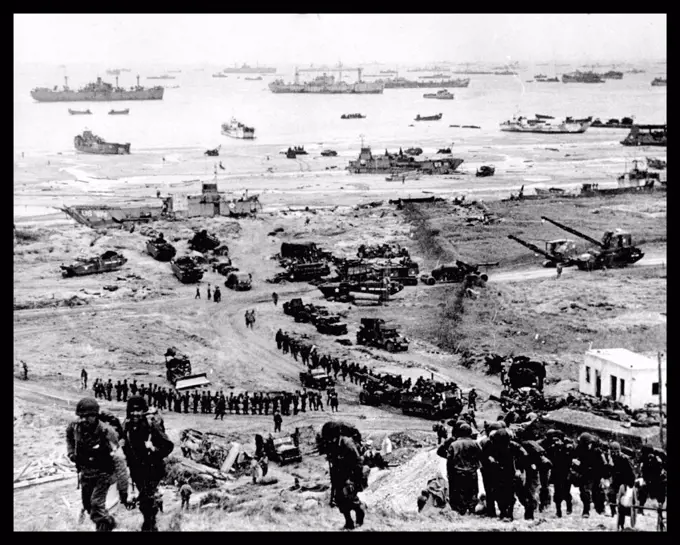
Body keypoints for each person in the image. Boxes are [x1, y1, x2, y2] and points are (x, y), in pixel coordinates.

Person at [120, 396, 174, 532]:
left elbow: (168, 446)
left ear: (144, 411)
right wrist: (121, 445)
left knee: (147, 499)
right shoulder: (126, 426)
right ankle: (149, 522)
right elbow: (121, 443)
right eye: (132, 411)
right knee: (145, 499)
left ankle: (150, 526)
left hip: (153, 468)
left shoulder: (151, 426)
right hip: (136, 469)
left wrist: (153, 448)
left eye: (138, 411)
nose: (135, 414)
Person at [65, 398, 117, 531]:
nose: (83, 420)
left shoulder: (106, 431)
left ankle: (104, 528)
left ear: (95, 416)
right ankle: (109, 522)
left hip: (103, 472)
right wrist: (71, 453)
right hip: (86, 472)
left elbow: (118, 451)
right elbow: (69, 438)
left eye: (87, 417)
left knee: (96, 505)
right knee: (88, 505)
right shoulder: (74, 427)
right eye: (81, 416)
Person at [320, 422, 366, 530]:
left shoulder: (348, 444)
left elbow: (358, 463)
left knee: (351, 499)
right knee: (341, 501)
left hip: (351, 476)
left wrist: (352, 481)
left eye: (330, 438)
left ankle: (360, 513)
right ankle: (349, 523)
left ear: (336, 435)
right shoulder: (331, 444)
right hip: (339, 476)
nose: (329, 441)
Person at [445, 423, 482, 515]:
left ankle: (461, 511)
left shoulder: (454, 444)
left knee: (459, 492)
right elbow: (481, 456)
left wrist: (449, 473)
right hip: (472, 472)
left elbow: (449, 461)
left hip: (458, 473)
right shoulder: (475, 443)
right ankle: (472, 509)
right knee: (472, 491)